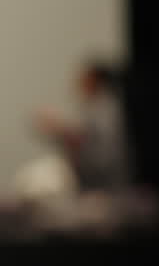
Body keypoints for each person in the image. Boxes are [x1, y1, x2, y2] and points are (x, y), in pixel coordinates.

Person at [36, 60, 131, 192]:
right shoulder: (94, 107)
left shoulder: (105, 107)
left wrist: (63, 131)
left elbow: (97, 148)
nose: (78, 83)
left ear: (95, 81)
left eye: (84, 78)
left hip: (105, 181)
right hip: (94, 180)